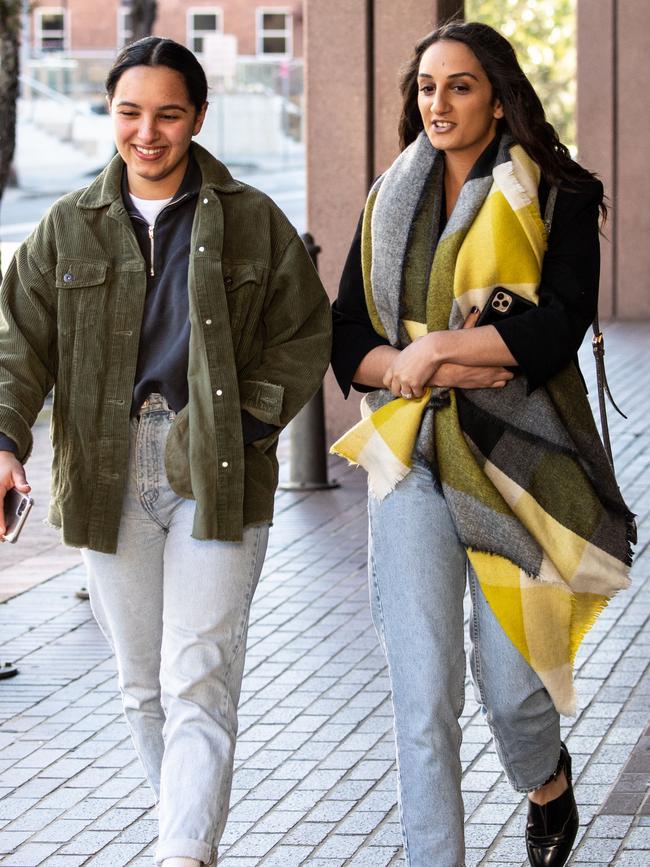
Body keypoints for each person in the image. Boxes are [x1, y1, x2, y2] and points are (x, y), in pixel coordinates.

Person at [0, 37, 331, 867]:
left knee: (200, 674)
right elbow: (17, 345)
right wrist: (6, 442)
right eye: (130, 112)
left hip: (215, 469)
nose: (147, 132)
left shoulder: (253, 218)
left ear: (199, 117)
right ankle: (185, 833)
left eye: (168, 114)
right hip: (105, 468)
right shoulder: (64, 226)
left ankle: (181, 853)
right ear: (111, 114)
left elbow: (303, 335)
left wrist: (249, 424)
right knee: (142, 687)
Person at [331, 21, 634, 867]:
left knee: (509, 689)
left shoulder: (559, 193)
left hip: (522, 461)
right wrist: (434, 365)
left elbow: (555, 328)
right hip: (412, 461)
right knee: (424, 695)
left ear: (498, 97)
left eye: (459, 85)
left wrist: (432, 352)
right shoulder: (389, 199)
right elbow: (347, 339)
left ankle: (545, 779)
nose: (438, 102)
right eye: (427, 87)